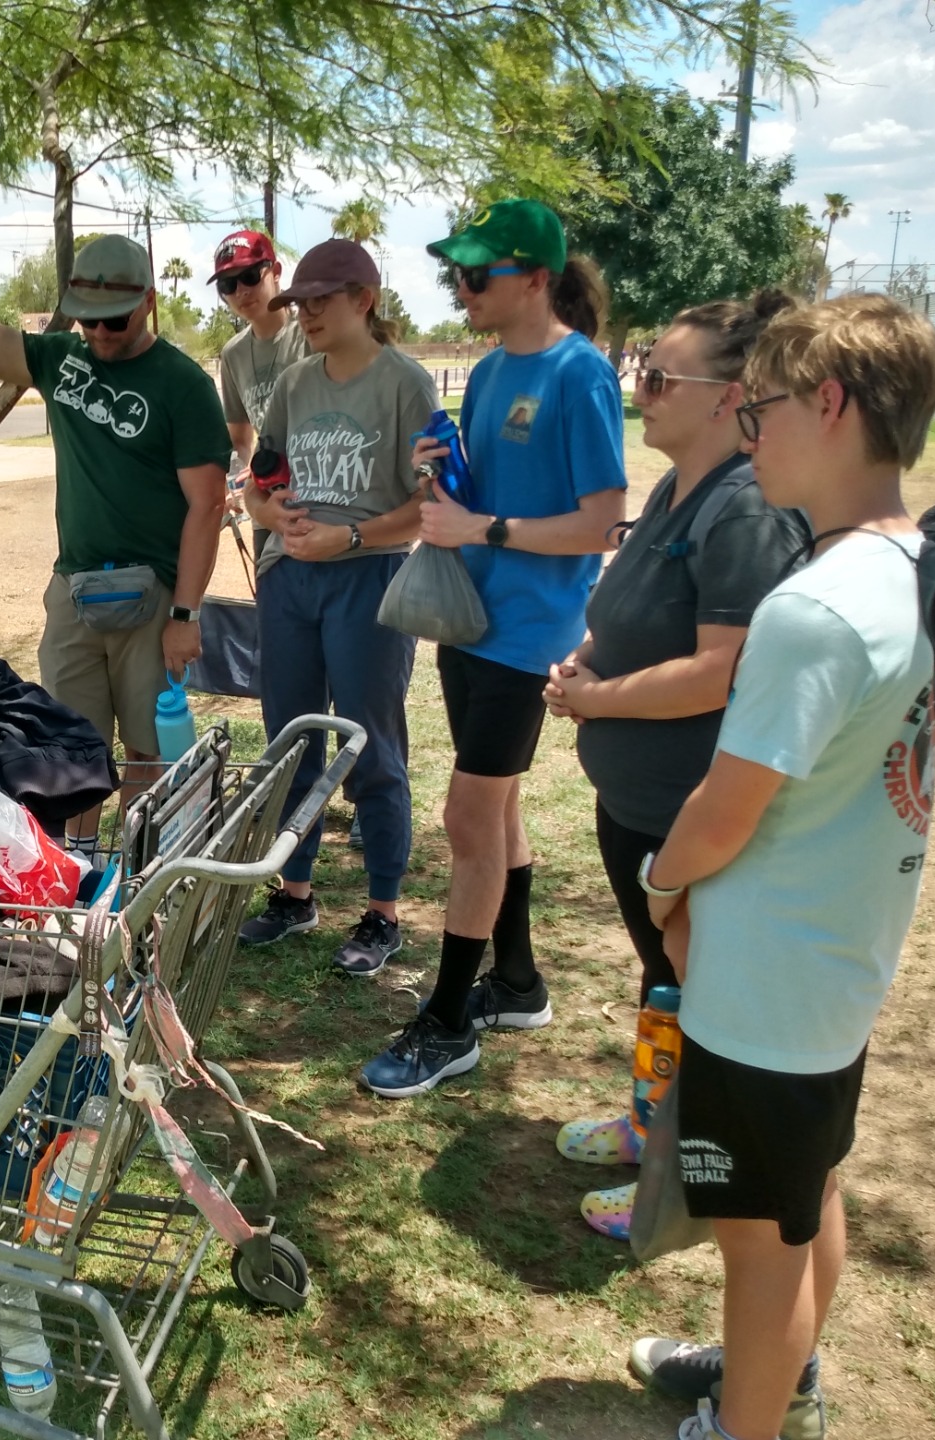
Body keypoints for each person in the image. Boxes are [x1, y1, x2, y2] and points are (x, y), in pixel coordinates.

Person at [628, 295, 935, 1440]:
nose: (748, 434)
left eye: (760, 409)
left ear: (830, 402)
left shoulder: (811, 608)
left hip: (765, 986)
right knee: (806, 1192)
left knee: (758, 1246)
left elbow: (727, 808)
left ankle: (746, 1417)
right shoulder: (913, 566)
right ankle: (776, 1375)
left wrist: (663, 886)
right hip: (834, 962)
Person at [540, 290, 810, 1242]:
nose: (641, 389)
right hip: (639, 797)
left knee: (695, 987)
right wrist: (587, 656)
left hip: (688, 807)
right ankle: (650, 1125)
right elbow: (636, 613)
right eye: (642, 370)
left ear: (728, 395)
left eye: (660, 377)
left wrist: (597, 698)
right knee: (664, 977)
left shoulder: (742, 508)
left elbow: (718, 672)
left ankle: (672, 1175)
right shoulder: (675, 487)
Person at [358, 198, 627, 1099]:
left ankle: (448, 1024)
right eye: (457, 274)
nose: (462, 288)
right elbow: (482, 492)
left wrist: (486, 526)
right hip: (471, 621)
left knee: (468, 823)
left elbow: (598, 524)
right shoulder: (483, 374)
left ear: (536, 278)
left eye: (478, 274)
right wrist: (444, 470)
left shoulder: (579, 375)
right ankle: (516, 984)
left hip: (529, 637)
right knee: (498, 813)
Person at [0, 217, 229, 852]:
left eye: (115, 319)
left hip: (153, 595)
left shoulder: (184, 385)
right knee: (70, 746)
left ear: (148, 302)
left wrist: (185, 613)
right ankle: (82, 871)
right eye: (88, 318)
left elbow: (207, 506)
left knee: (147, 746)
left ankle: (138, 866)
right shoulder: (60, 361)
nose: (100, 333)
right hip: (75, 590)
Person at [234, 240, 438, 974]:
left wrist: (347, 534)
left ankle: (383, 913)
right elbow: (260, 483)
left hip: (370, 579)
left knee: (371, 746)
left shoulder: (407, 386)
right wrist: (273, 515)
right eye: (300, 303)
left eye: (322, 300)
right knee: (292, 740)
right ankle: (294, 892)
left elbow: (428, 506)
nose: (307, 314)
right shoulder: (293, 384)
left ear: (365, 300)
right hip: (291, 580)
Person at [211, 228, 308, 479]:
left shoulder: (311, 336)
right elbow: (240, 441)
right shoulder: (232, 354)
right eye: (228, 284)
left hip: (320, 490)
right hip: (267, 493)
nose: (241, 291)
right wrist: (232, 479)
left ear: (275, 273)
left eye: (251, 276)